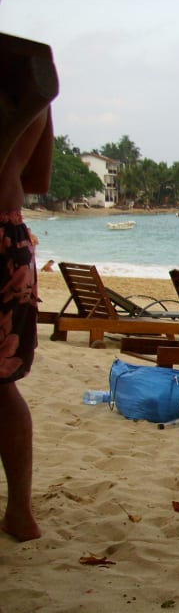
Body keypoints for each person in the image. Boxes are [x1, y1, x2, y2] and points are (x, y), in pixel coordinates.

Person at [0, 36, 57, 541]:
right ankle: (20, 511)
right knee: (2, 385)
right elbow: (38, 176)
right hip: (10, 237)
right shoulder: (34, 70)